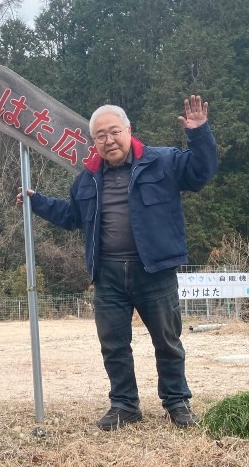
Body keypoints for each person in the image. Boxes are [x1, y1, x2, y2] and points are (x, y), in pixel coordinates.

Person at [17, 96, 217, 429]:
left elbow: (201, 172)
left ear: (128, 130)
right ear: (93, 141)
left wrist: (199, 134)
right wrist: (36, 202)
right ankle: (124, 405)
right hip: (107, 274)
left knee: (167, 341)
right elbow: (72, 217)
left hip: (154, 271)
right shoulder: (87, 179)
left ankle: (177, 403)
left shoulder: (163, 161)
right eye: (100, 135)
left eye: (114, 132)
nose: (109, 140)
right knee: (113, 344)